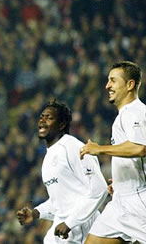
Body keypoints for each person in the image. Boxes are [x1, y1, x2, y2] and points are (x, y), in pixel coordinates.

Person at [80, 61, 146, 243]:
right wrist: (126, 177)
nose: (107, 85)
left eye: (113, 80)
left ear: (130, 85)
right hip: (120, 201)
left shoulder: (135, 112)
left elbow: (140, 148)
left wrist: (99, 149)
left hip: (140, 202)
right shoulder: (126, 116)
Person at [16, 100, 108, 243]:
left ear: (62, 124)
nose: (42, 120)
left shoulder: (74, 148)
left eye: (49, 117)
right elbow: (59, 202)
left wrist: (70, 223)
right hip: (62, 229)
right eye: (41, 117)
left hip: (82, 227)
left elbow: (99, 189)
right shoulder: (48, 158)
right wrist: (35, 213)